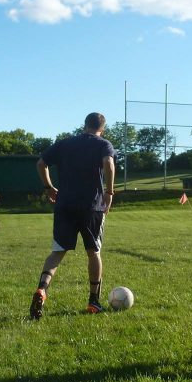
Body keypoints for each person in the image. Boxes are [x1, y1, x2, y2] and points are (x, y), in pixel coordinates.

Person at [29, 112, 116, 319]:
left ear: (84, 125)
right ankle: (94, 302)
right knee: (93, 252)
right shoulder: (103, 144)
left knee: (57, 252)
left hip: (65, 205)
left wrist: (48, 187)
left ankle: (42, 289)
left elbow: (41, 163)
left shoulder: (65, 143)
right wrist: (109, 192)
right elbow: (109, 164)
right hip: (91, 206)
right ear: (101, 129)